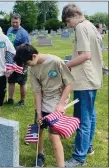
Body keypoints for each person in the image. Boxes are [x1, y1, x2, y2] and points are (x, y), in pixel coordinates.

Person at [14, 43, 74, 167]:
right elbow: (37, 92)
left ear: (34, 56)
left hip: (57, 102)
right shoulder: (33, 68)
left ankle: (61, 165)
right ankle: (40, 154)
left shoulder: (56, 62)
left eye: (26, 63)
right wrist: (39, 113)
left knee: (53, 137)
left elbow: (69, 84)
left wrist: (61, 105)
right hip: (43, 102)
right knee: (38, 130)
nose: (26, 66)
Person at [61, 3, 103, 166]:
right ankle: (88, 147)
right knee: (90, 115)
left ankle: (79, 157)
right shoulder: (91, 26)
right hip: (93, 77)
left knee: (82, 119)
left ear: (74, 16)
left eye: (67, 21)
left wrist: (66, 65)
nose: (68, 25)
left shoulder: (80, 27)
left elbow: (85, 55)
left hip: (84, 80)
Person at [4, 13, 30, 107]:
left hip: (20, 61)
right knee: (11, 81)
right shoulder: (9, 30)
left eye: (16, 22)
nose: (14, 24)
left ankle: (22, 101)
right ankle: (10, 99)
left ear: (20, 21)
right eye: (13, 22)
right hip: (10, 59)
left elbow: (27, 49)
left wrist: (22, 61)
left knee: (22, 82)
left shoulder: (24, 34)